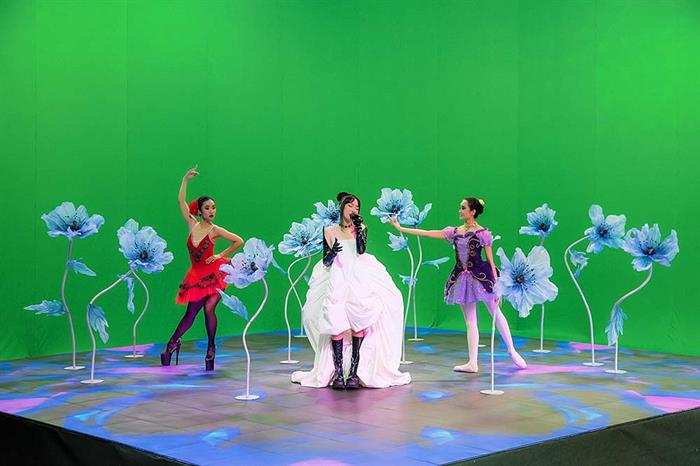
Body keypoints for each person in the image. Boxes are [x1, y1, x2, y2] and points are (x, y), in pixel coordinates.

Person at [390, 197, 526, 373]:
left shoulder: (483, 234)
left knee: (496, 313)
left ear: (473, 212)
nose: (460, 211)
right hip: (462, 278)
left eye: (463, 208)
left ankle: (512, 350)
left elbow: (491, 261)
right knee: (470, 321)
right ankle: (472, 362)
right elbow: (427, 233)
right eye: (460, 207)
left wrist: (497, 287)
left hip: (482, 277)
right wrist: (400, 228)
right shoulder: (454, 232)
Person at [292, 192, 411, 389]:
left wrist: (359, 230)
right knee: (335, 322)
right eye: (351, 206)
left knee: (359, 320)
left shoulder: (361, 228)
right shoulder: (329, 230)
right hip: (338, 276)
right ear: (342, 207)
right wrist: (332, 253)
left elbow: (361, 250)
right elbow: (326, 261)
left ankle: (354, 373)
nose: (354, 209)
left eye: (357, 207)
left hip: (357, 276)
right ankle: (339, 373)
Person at [160, 166, 244, 371]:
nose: (212, 211)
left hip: (215, 274)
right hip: (197, 277)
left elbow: (238, 241)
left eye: (214, 207)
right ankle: (171, 345)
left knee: (209, 308)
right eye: (207, 207)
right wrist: (185, 179)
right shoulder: (192, 224)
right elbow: (181, 202)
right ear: (199, 210)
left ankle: (211, 348)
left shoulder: (215, 230)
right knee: (190, 314)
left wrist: (220, 255)